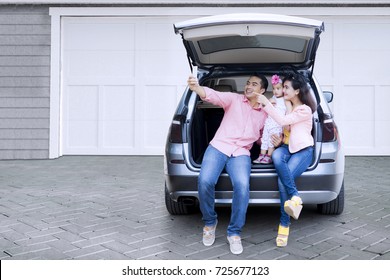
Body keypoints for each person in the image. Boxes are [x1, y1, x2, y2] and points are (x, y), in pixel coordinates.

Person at [187, 74, 268, 254]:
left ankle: (234, 233)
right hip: (219, 146)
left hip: (240, 152)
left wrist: (274, 142)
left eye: (254, 84)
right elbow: (212, 95)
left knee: (242, 185)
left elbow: (262, 139)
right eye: (248, 83)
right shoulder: (234, 99)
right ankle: (210, 222)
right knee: (205, 181)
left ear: (262, 90)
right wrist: (197, 87)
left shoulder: (265, 113)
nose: (248, 86)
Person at [256, 73, 317, 247]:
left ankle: (284, 223)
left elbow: (283, 120)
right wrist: (280, 140)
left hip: (303, 150)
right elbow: (287, 130)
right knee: (275, 155)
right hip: (287, 147)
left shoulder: (304, 109)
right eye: (283, 87)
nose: (283, 90)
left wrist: (267, 104)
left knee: (282, 181)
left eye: (287, 87)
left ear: (297, 91)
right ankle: (295, 197)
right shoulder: (287, 106)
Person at [253, 74, 292, 164]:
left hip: (277, 124)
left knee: (272, 140)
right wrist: (269, 102)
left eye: (278, 88)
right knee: (264, 139)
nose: (275, 91)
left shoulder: (286, 100)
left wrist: (287, 122)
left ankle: (268, 156)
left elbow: (289, 113)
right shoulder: (273, 98)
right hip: (269, 123)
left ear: (284, 89)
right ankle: (261, 156)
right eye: (274, 88)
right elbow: (265, 107)